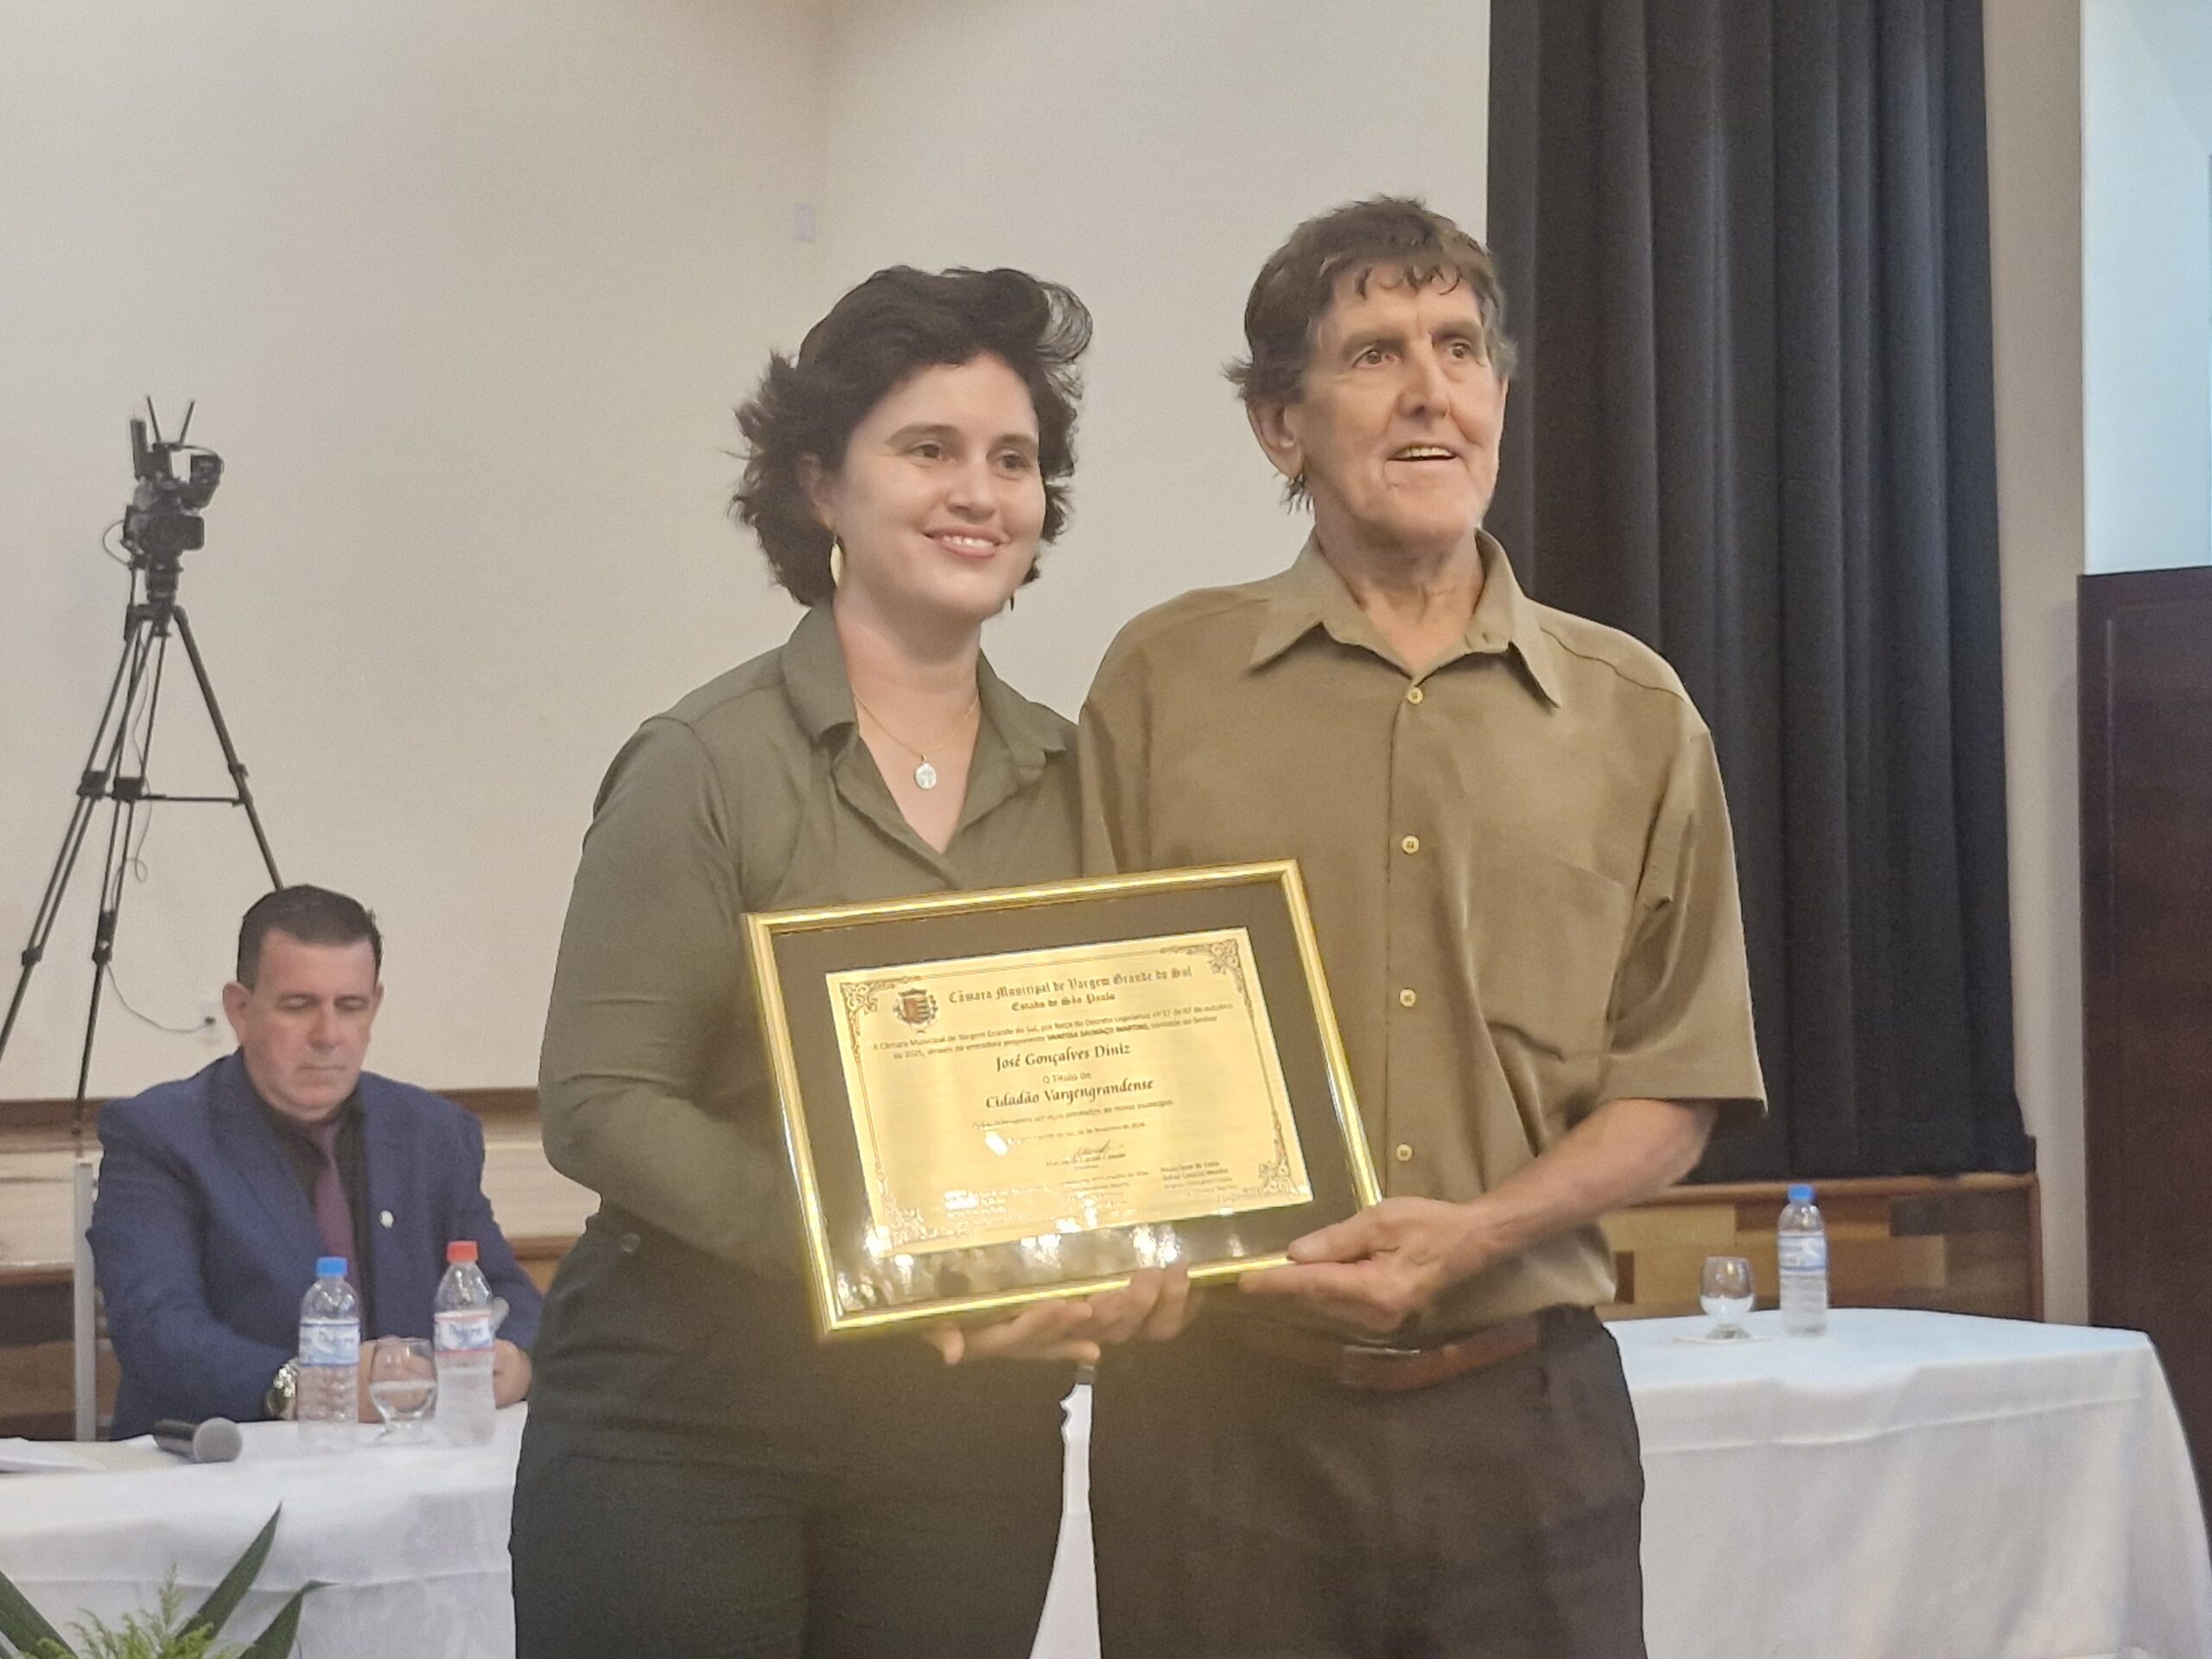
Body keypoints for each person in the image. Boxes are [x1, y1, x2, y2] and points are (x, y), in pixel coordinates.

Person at [1078, 196, 1768, 1658]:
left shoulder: (1635, 716)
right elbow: (1082, 1045)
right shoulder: (1160, 685)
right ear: (1282, 425)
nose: (1428, 391)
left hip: (1528, 1427)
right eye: (1373, 353)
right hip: (1219, 1426)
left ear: (1499, 399)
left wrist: (1476, 1235)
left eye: (1459, 349)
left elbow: (1677, 1083)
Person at [510, 264, 1184, 1659]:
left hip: (970, 1432)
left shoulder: (1086, 781)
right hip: (688, 1415)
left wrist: (1148, 1245)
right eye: (928, 449)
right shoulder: (704, 763)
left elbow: (1121, 1087)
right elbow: (599, 1101)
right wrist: (881, 1266)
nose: (978, 493)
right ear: (820, 484)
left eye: (1013, 459)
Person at [89, 884, 542, 1440]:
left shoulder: (434, 1133)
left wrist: (516, 1359)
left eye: (349, 1007)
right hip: (231, 1458)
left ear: (374, 1007)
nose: (328, 1036)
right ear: (240, 1010)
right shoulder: (161, 1135)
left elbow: (506, 1292)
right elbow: (158, 1329)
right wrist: (306, 1388)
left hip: (412, 1456)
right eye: (298, 1006)